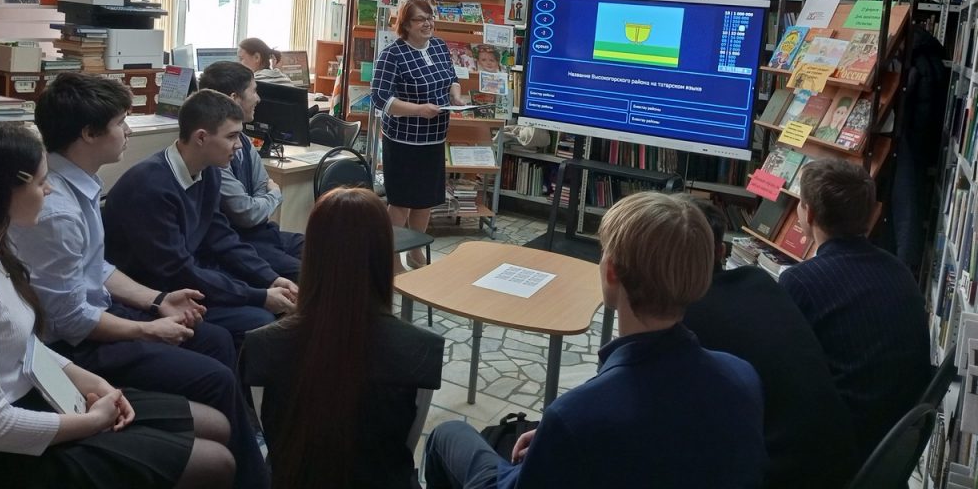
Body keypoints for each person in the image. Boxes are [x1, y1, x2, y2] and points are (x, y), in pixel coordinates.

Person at [8, 72, 269, 489]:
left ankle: (241, 455)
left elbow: (97, 268)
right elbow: (71, 322)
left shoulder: (80, 183)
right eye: (120, 123)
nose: (128, 130)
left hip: (96, 316)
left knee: (214, 338)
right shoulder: (57, 211)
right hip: (74, 347)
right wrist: (149, 330)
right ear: (89, 133)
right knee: (216, 376)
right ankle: (246, 473)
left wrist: (158, 300)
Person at [0, 123, 234, 489]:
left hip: (40, 392)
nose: (49, 189)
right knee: (216, 462)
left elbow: (22, 345)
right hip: (6, 449)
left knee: (217, 424)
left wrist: (93, 382)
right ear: (2, 191)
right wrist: (92, 422)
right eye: (41, 183)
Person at [425, 192, 767, 488]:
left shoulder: (575, 416)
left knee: (447, 435)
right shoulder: (743, 378)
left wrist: (557, 436)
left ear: (611, 272)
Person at [242, 187, 444, 488]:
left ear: (311, 252)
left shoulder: (261, 346)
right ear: (383, 255)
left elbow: (271, 434)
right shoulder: (423, 350)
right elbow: (406, 443)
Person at [682, 197, 858, 489]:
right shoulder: (758, 280)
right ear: (722, 251)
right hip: (840, 462)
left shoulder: (686, 314)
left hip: (782, 476)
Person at [103, 90, 298, 349]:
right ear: (201, 138)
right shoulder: (149, 186)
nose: (239, 145)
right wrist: (259, 296)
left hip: (186, 279)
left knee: (274, 300)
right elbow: (178, 271)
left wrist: (269, 278)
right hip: (155, 293)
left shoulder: (208, 171)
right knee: (258, 320)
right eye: (231, 136)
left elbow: (222, 238)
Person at [778, 158, 931, 461]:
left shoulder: (800, 281)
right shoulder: (897, 269)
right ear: (870, 215)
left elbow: (783, 371)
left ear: (808, 213)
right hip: (892, 444)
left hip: (840, 449)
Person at [371, 0, 466, 269]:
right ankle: (390, 259)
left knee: (425, 201)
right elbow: (380, 98)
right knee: (402, 202)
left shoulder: (438, 46)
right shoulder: (392, 54)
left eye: (430, 18)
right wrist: (418, 110)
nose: (428, 24)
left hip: (434, 138)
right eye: (420, 19)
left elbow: (451, 78)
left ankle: (415, 252)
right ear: (406, 25)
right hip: (403, 141)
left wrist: (456, 96)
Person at [199, 61, 304, 281]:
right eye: (254, 91)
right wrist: (275, 195)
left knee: (329, 249)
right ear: (234, 99)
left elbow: (260, 187)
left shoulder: (244, 142)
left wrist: (259, 202)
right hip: (240, 242)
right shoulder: (212, 154)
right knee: (308, 274)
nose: (258, 99)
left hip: (264, 233)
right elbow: (247, 213)